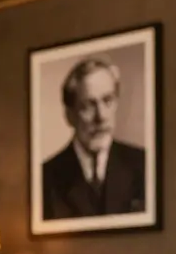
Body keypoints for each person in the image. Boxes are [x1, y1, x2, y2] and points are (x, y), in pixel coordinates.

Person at [42, 57, 146, 220]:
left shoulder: (143, 164)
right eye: (88, 105)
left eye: (108, 100)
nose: (101, 116)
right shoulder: (45, 178)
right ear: (69, 115)